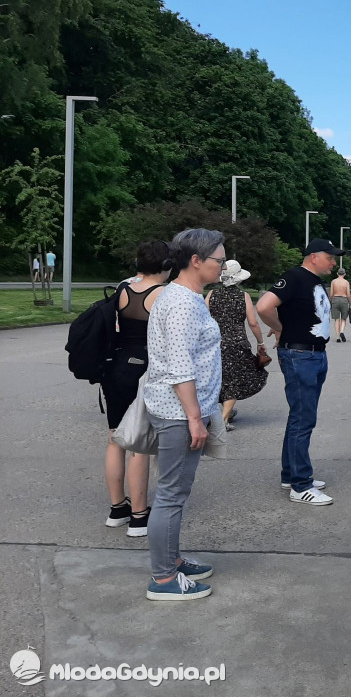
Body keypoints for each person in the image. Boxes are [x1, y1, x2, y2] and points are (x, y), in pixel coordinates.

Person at [143, 228, 224, 601]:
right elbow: (180, 367)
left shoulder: (184, 297)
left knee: (176, 492)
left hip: (182, 409)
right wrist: (194, 417)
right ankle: (163, 579)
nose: (222, 266)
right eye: (218, 260)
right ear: (196, 261)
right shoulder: (181, 304)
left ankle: (172, 560)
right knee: (171, 494)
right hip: (178, 413)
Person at [256, 238, 345, 505]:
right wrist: (280, 328)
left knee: (300, 417)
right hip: (300, 355)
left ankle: (291, 474)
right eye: (330, 257)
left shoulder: (314, 281)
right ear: (314, 256)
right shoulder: (295, 277)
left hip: (313, 354)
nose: (334, 262)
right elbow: (263, 306)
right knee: (303, 419)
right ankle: (301, 484)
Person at [100, 240, 172, 538]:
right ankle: (140, 517)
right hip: (145, 370)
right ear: (167, 265)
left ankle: (118, 509)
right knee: (139, 443)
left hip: (116, 368)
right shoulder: (164, 294)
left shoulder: (122, 289)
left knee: (116, 438)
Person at [206, 260, 268, 430]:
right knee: (234, 379)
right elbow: (253, 323)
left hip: (214, 343)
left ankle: (224, 413)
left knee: (218, 378)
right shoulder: (243, 296)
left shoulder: (211, 294)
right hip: (237, 343)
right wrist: (260, 342)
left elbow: (201, 318)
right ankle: (224, 419)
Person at [329, 267, 351, 343]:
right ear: (344, 274)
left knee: (336, 319)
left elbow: (331, 294)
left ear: (337, 273)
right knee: (344, 318)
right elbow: (348, 294)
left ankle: (338, 337)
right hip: (344, 300)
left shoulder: (333, 282)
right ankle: (341, 331)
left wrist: (330, 301)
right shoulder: (346, 282)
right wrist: (349, 302)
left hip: (335, 299)